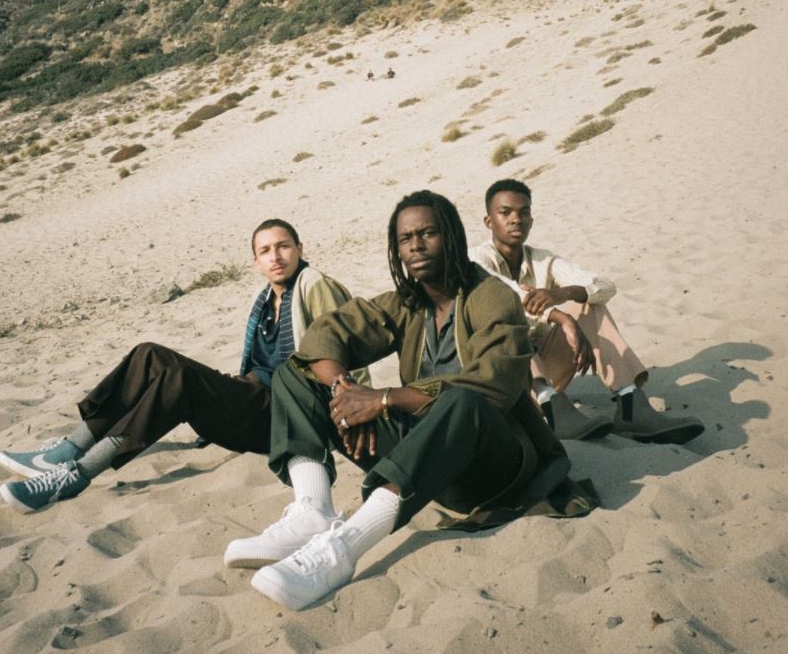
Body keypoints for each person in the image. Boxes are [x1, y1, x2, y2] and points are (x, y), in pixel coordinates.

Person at [224, 191, 570, 611]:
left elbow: (493, 386)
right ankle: (312, 510)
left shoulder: (491, 295)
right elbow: (326, 335)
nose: (416, 246)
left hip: (495, 469)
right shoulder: (408, 302)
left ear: (452, 237)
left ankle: (344, 548)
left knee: (463, 401)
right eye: (406, 239)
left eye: (427, 234)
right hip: (428, 464)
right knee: (294, 373)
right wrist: (346, 394)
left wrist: (384, 399)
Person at [0, 219, 362, 513]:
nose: (275, 256)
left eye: (283, 246)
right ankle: (71, 448)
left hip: (288, 417)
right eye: (265, 250)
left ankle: (76, 476)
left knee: (179, 381)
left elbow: (350, 352)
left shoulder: (314, 285)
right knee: (149, 354)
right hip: (255, 398)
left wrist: (351, 417)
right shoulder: (264, 298)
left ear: (300, 249)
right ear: (255, 261)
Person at [469, 179, 704, 443]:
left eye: (524, 213)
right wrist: (561, 317)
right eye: (506, 213)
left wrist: (561, 294)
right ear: (489, 221)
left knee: (589, 303)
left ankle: (629, 405)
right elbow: (505, 296)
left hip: (546, 368)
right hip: (504, 385)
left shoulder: (542, 259)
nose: (516, 220)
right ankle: (551, 409)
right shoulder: (475, 260)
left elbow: (604, 286)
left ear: (531, 221)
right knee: (508, 323)